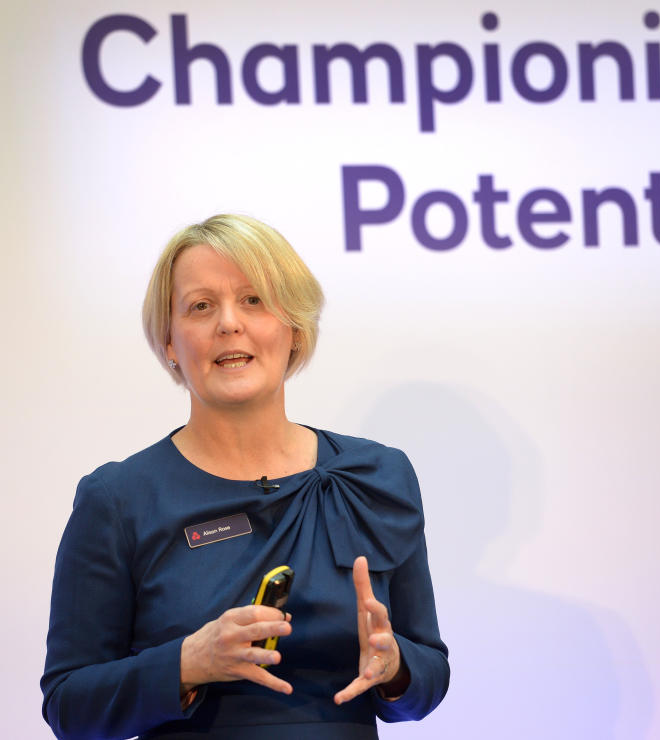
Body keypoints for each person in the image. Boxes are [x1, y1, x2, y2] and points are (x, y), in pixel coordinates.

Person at [41, 214, 449, 740]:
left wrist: (395, 667)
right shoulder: (118, 500)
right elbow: (69, 707)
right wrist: (186, 663)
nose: (229, 323)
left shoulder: (376, 475)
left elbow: (429, 675)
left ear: (295, 327)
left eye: (254, 300)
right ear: (169, 341)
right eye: (201, 306)